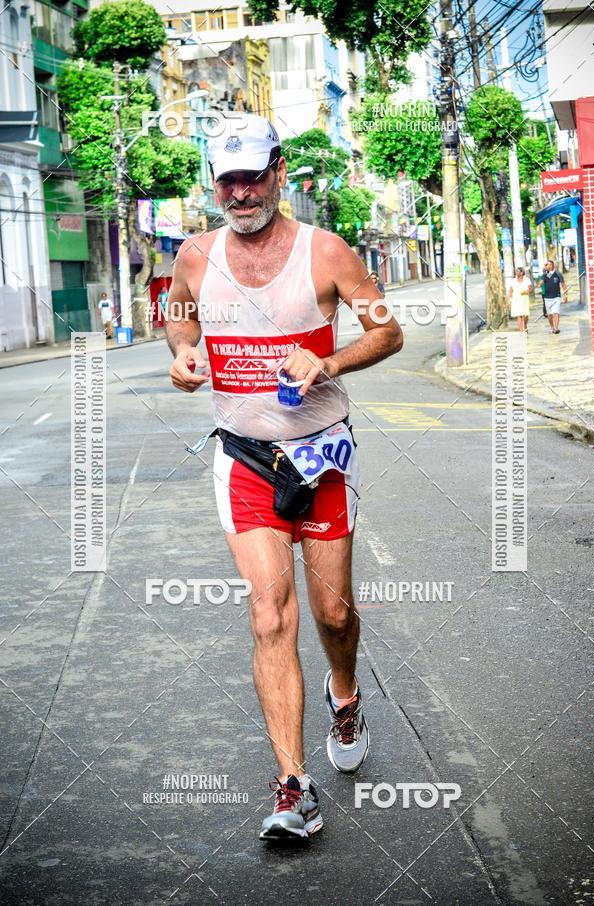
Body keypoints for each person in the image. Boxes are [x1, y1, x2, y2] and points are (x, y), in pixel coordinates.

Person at [165, 114, 403, 841]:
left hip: (320, 457)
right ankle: (294, 788)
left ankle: (345, 694)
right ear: (216, 185)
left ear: (278, 172)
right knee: (270, 613)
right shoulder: (195, 256)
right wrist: (183, 352)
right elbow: (179, 316)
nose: (241, 193)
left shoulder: (325, 251)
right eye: (227, 181)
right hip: (243, 459)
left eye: (253, 177)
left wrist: (327, 362)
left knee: (334, 616)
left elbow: (388, 330)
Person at [541, 259, 567, 334]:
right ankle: (552, 327)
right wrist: (544, 272)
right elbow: (539, 284)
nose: (548, 266)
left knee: (556, 312)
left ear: (552, 265)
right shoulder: (544, 275)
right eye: (546, 265)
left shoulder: (558, 274)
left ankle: (556, 328)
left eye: (549, 264)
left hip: (556, 297)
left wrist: (565, 295)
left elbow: (563, 284)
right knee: (549, 315)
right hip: (547, 298)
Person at [508, 267, 533, 333]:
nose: (516, 272)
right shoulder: (513, 281)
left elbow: (531, 289)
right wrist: (509, 300)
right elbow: (510, 291)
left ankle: (525, 325)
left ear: (522, 273)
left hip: (524, 299)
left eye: (518, 271)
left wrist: (527, 292)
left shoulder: (527, 280)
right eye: (516, 271)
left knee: (525, 315)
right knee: (519, 315)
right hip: (516, 299)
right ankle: (521, 331)